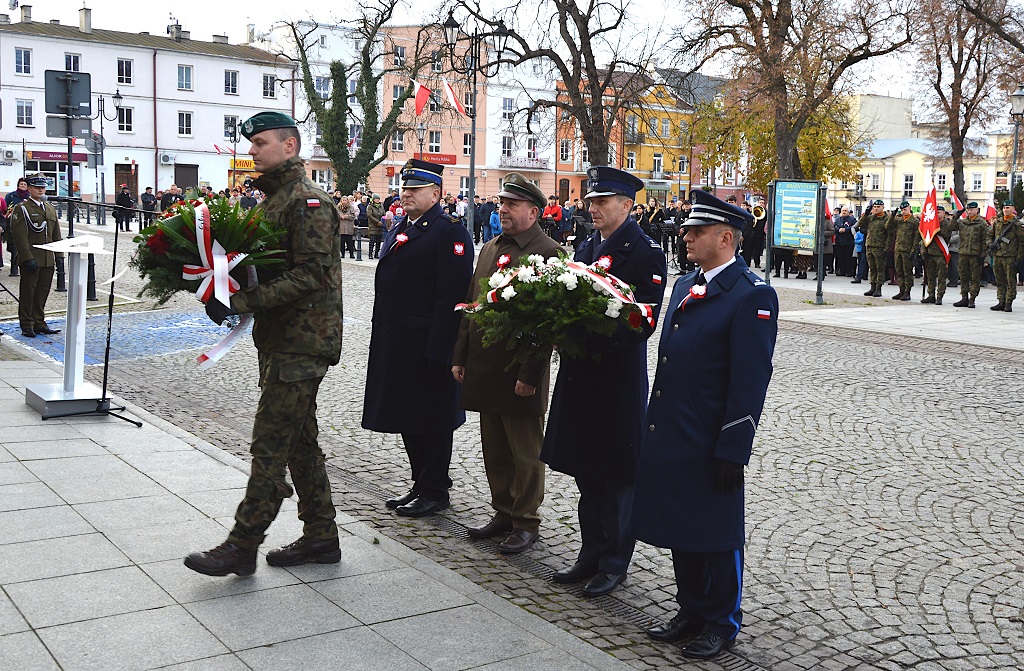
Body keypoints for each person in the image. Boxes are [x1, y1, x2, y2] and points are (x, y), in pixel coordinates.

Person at [185, 111, 344, 576]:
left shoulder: (307, 203)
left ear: (290, 146)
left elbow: (311, 276)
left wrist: (244, 299)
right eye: (251, 143)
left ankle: (242, 543)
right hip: (279, 339)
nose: (252, 150)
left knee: (270, 444)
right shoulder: (269, 202)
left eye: (260, 143)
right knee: (299, 444)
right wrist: (222, 287)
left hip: (303, 342)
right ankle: (321, 536)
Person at [633, 189, 777, 660]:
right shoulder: (686, 284)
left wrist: (734, 447)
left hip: (712, 435)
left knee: (716, 531)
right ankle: (691, 608)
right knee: (682, 524)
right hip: (673, 428)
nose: (686, 237)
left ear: (725, 237)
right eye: (687, 230)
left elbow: (750, 380)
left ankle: (721, 620)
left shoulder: (751, 295)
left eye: (696, 232)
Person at [541, 166, 667, 597]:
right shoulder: (588, 244)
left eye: (601, 201)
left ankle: (615, 561)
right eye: (591, 201)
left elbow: (642, 322)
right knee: (585, 471)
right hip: (581, 376)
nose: (591, 208)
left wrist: (586, 334)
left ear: (627, 206)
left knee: (616, 477)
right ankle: (589, 553)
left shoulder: (645, 252)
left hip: (615, 379)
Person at [451, 173, 561, 554]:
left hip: (518, 372)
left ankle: (526, 520)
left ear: (533, 211)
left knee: (524, 452)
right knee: (495, 448)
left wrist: (530, 374)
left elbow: (546, 323)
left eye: (512, 205)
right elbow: (472, 303)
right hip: (485, 366)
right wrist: (460, 355)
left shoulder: (548, 253)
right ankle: (503, 511)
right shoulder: (491, 246)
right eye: (502, 203)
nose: (503, 209)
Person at [362, 159, 474, 518]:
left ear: (437, 194)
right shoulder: (401, 228)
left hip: (428, 343)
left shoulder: (449, 233)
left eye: (414, 190)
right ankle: (420, 481)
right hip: (398, 341)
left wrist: (442, 349)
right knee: (407, 415)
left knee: (433, 418)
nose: (405, 194)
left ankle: (437, 488)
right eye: (404, 188)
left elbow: (451, 297)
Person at [9, 174, 63, 338]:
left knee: (42, 292)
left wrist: (59, 255)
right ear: (30, 189)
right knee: (28, 292)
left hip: (47, 258)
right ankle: (27, 324)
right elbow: (19, 235)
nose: (40, 190)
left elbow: (56, 234)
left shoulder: (49, 208)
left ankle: (39, 322)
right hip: (31, 258)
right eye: (37, 187)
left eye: (43, 187)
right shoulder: (22, 208)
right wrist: (27, 257)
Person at [988, 200, 1024, 311]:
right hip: (998, 255)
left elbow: (1022, 242)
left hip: (1010, 256)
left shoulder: (1017, 224)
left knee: (1010, 280)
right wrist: (990, 244)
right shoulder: (998, 222)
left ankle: (1009, 302)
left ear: (1013, 209)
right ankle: (1001, 301)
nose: (1005, 210)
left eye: (1008, 207)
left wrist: (1018, 259)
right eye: (1004, 208)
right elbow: (989, 235)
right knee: (999, 280)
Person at [950, 202, 987, 308]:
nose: (970, 212)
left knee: (975, 278)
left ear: (977, 210)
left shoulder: (982, 223)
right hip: (963, 253)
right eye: (968, 210)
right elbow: (951, 227)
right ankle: (964, 298)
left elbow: (985, 241)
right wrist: (956, 216)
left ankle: (972, 299)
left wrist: (983, 256)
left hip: (976, 254)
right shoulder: (962, 222)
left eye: (972, 209)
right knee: (963, 277)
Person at [857, 199, 892, 297]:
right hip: (870, 245)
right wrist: (866, 213)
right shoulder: (871, 218)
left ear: (883, 207)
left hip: (880, 247)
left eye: (878, 207)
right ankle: (872, 287)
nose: (876, 209)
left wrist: (886, 248)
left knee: (880, 269)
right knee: (872, 268)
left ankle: (878, 288)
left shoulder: (886, 219)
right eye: (875, 207)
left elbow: (890, 235)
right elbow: (860, 224)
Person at [920, 205, 952, 305]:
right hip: (930, 253)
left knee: (941, 277)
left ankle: (939, 296)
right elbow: (924, 237)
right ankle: (931, 295)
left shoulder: (946, 224)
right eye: (935, 212)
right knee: (930, 277)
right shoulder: (930, 223)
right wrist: (923, 251)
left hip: (940, 254)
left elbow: (947, 235)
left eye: (939, 212)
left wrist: (936, 228)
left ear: (943, 213)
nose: (937, 214)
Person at [888, 200, 919, 300]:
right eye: (902, 210)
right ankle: (901, 290)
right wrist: (892, 216)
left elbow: (916, 237)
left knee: (907, 272)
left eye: (905, 209)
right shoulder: (899, 219)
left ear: (910, 208)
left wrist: (913, 250)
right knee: (899, 271)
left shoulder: (914, 221)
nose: (903, 212)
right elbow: (888, 227)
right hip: (898, 249)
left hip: (908, 250)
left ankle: (907, 292)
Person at [4, 177, 29, 274]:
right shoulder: (11, 196)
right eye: (21, 184)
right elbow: (5, 209)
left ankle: (22, 265)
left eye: (24, 184)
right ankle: (14, 269)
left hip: (26, 224)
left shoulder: (30, 196)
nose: (23, 186)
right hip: (12, 224)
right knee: (13, 246)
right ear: (18, 185)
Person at [834, 206, 857, 277]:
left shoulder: (852, 219)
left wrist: (846, 230)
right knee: (840, 257)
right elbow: (834, 227)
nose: (844, 212)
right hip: (839, 241)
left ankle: (849, 271)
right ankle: (842, 270)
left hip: (848, 242)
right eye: (843, 210)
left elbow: (854, 227)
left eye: (845, 211)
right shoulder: (838, 219)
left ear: (848, 212)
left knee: (848, 258)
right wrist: (838, 230)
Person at [367, 194, 384, 259]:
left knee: (378, 241)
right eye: (376, 199)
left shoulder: (381, 206)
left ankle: (376, 253)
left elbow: (383, 214)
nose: (377, 200)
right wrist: (377, 222)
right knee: (372, 240)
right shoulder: (370, 206)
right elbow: (369, 215)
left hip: (380, 226)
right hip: (373, 226)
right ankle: (370, 253)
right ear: (373, 199)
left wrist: (382, 221)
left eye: (378, 199)